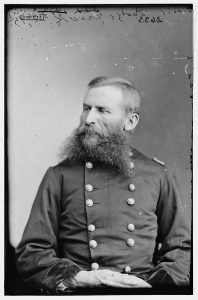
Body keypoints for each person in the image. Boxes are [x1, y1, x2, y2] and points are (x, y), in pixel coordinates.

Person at [15, 76, 191, 294]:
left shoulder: (158, 176)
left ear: (131, 121)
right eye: (86, 108)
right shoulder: (59, 175)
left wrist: (151, 288)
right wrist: (82, 278)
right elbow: (32, 252)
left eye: (102, 110)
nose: (88, 118)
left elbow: (182, 248)